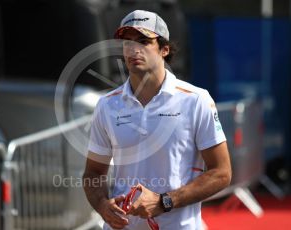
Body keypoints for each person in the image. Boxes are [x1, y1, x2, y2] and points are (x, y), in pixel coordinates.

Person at [83, 10, 231, 230]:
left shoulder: (196, 100)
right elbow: (93, 173)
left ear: (164, 49)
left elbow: (221, 173)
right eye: (127, 42)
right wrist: (103, 206)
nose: (133, 49)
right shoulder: (107, 105)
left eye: (143, 41)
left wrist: (165, 201)